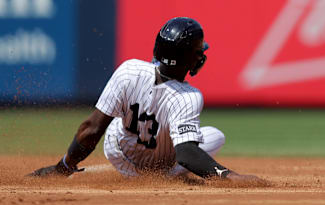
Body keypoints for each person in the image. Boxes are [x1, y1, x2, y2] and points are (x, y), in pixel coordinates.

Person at [28, 17, 269, 186]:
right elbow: (186, 155)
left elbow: (91, 129)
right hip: (160, 165)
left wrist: (63, 166)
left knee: (115, 123)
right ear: (189, 59)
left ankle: (136, 173)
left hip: (119, 155)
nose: (200, 55)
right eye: (197, 51)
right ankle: (166, 177)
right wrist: (228, 176)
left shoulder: (128, 70)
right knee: (215, 135)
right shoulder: (188, 96)